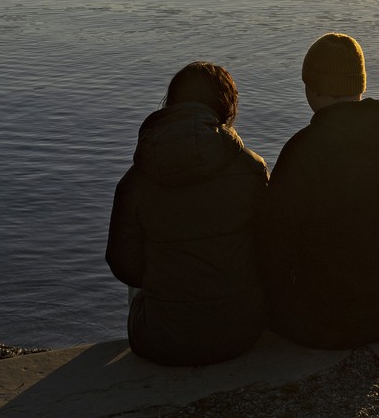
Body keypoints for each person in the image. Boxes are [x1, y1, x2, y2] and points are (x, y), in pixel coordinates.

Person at [259, 32, 379, 349]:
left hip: (325, 320)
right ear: (360, 84)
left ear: (311, 87)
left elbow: (275, 243)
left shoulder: (302, 151)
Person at [105, 62, 269, 366]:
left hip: (160, 342)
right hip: (241, 333)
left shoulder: (135, 181)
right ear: (226, 107)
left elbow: (122, 264)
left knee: (145, 250)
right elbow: (268, 248)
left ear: (171, 105)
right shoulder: (253, 168)